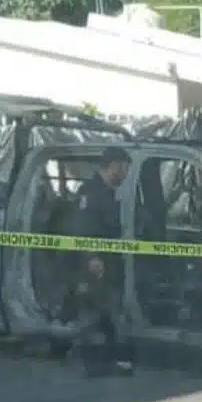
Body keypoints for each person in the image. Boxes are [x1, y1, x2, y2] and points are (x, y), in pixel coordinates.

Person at [69, 145, 135, 377]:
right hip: (94, 266)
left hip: (109, 264)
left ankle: (109, 362)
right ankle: (93, 364)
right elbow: (82, 229)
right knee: (92, 314)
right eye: (124, 169)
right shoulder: (91, 192)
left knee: (109, 313)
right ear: (114, 166)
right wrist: (92, 257)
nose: (126, 175)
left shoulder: (107, 192)